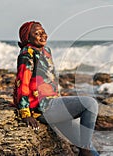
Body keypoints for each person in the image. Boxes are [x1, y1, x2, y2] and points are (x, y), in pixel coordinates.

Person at [14, 21, 99, 156]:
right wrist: (26, 113)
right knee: (90, 104)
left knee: (89, 147)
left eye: (43, 32)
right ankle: (84, 151)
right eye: (36, 34)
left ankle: (85, 150)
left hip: (55, 105)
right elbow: (22, 83)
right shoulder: (27, 53)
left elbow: (50, 80)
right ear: (27, 39)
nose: (42, 35)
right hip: (42, 108)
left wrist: (62, 101)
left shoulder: (46, 51)